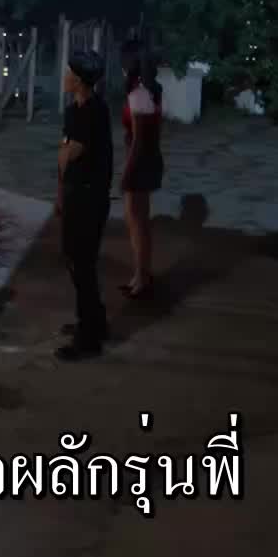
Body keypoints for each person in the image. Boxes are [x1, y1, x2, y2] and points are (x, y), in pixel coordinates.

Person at [55, 49, 113, 361]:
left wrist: (64, 153)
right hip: (75, 193)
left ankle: (89, 336)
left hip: (90, 198)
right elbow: (64, 156)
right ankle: (94, 321)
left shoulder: (93, 112)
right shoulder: (74, 110)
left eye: (69, 73)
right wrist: (60, 195)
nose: (65, 77)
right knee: (75, 260)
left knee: (83, 263)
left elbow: (70, 152)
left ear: (78, 80)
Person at [120, 54, 164, 300]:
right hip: (150, 159)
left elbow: (137, 139)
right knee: (142, 221)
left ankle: (140, 277)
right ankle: (142, 275)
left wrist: (127, 171)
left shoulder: (137, 95)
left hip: (139, 161)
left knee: (135, 221)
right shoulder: (152, 93)